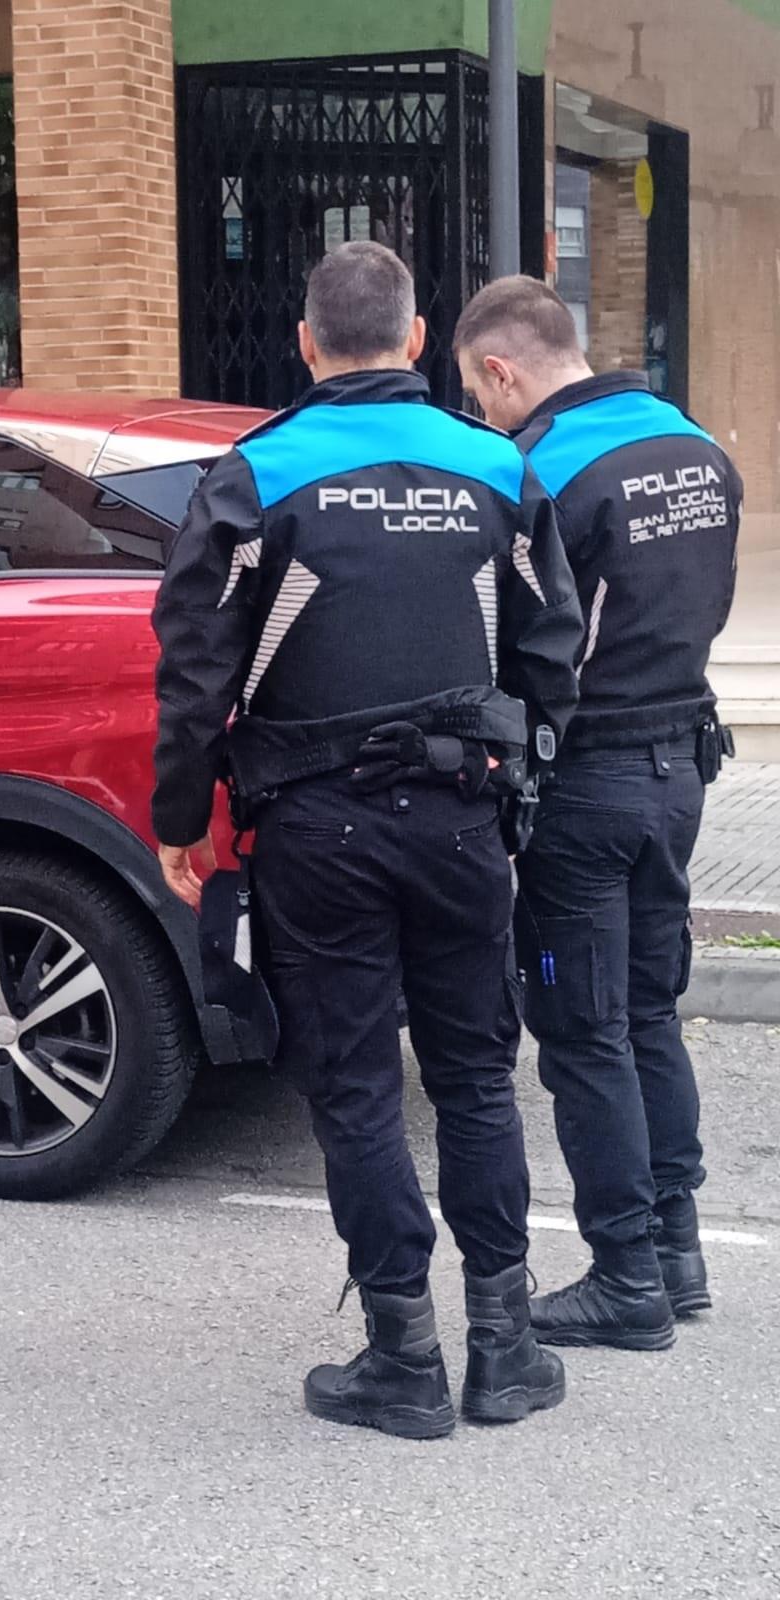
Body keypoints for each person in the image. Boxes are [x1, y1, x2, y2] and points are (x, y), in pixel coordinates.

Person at [152, 242, 584, 1439]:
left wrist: (179, 823)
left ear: (304, 344)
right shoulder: (498, 467)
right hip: (459, 822)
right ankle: (505, 1348)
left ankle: (404, 1355)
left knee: (351, 1085)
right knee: (475, 1081)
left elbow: (193, 675)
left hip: (318, 830)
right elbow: (554, 653)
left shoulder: (255, 473)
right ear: (412, 337)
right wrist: (518, 768)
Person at [454, 276, 741, 1351]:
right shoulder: (697, 446)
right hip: (681, 772)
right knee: (651, 1013)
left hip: (586, 781)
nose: (488, 419)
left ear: (502, 369)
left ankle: (625, 1275)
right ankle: (679, 1252)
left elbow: (529, 647)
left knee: (583, 1031)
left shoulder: (547, 472)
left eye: (483, 398)